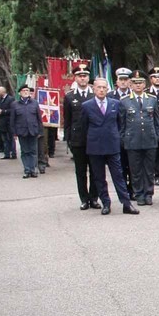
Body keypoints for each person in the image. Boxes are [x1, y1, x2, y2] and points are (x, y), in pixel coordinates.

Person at [78, 77, 138, 215]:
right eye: (98, 87)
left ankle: (126, 203)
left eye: (104, 87)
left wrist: (118, 138)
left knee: (118, 175)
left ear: (107, 89)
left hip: (112, 144)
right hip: (95, 146)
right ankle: (106, 202)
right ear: (94, 89)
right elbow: (83, 127)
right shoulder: (86, 106)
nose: (101, 90)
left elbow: (120, 124)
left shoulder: (115, 104)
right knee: (99, 177)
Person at [120, 71, 159, 206]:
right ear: (131, 85)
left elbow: (156, 121)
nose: (138, 85)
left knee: (149, 170)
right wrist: (124, 139)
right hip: (133, 140)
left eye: (141, 83)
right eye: (135, 83)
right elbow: (122, 123)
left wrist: (156, 135)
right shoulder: (124, 101)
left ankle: (149, 194)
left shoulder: (152, 99)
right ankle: (139, 194)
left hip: (149, 140)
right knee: (135, 170)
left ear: (145, 84)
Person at [62, 65, 99, 210]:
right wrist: (68, 139)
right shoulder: (69, 96)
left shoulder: (95, 94)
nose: (82, 78)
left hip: (94, 138)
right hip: (78, 139)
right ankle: (84, 199)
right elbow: (68, 120)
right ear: (75, 78)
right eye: (79, 75)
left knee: (95, 170)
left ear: (88, 77)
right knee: (81, 171)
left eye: (85, 75)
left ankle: (94, 198)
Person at [11, 83, 43, 179]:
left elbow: (39, 118)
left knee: (33, 151)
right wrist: (14, 133)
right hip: (22, 131)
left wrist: (40, 131)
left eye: (27, 91)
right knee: (25, 151)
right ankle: (27, 170)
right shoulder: (15, 105)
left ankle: (33, 170)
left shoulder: (34, 103)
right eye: (24, 91)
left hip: (33, 130)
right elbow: (12, 120)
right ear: (20, 93)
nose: (26, 92)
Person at [0, 86, 15, 159]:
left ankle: (13, 153)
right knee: (5, 140)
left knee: (10, 139)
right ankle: (7, 154)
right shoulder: (0, 99)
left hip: (9, 123)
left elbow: (12, 110)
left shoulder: (10, 99)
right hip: (2, 123)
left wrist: (3, 111)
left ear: (3, 92)